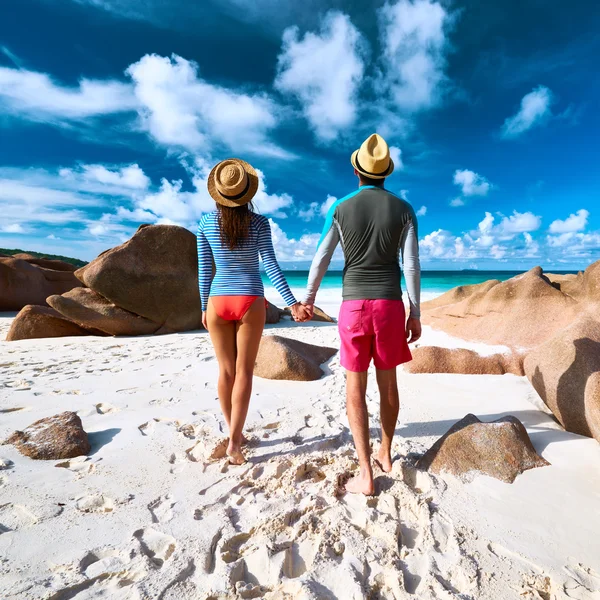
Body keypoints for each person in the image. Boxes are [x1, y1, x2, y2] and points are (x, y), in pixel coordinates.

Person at [302, 134, 421, 495]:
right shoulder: (404, 210)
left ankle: (366, 471)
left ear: (356, 169)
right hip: (389, 305)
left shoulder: (340, 207)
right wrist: (415, 312)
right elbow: (411, 264)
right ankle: (385, 452)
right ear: (386, 172)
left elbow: (322, 256)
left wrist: (308, 298)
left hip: (353, 307)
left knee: (355, 386)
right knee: (388, 384)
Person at [197, 158, 309, 465]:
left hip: (218, 300)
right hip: (250, 299)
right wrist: (292, 303)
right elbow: (270, 266)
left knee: (226, 371)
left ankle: (235, 433)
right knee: (245, 371)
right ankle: (235, 439)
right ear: (247, 192)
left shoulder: (205, 223)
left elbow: (205, 269)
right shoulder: (259, 223)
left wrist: (204, 305)